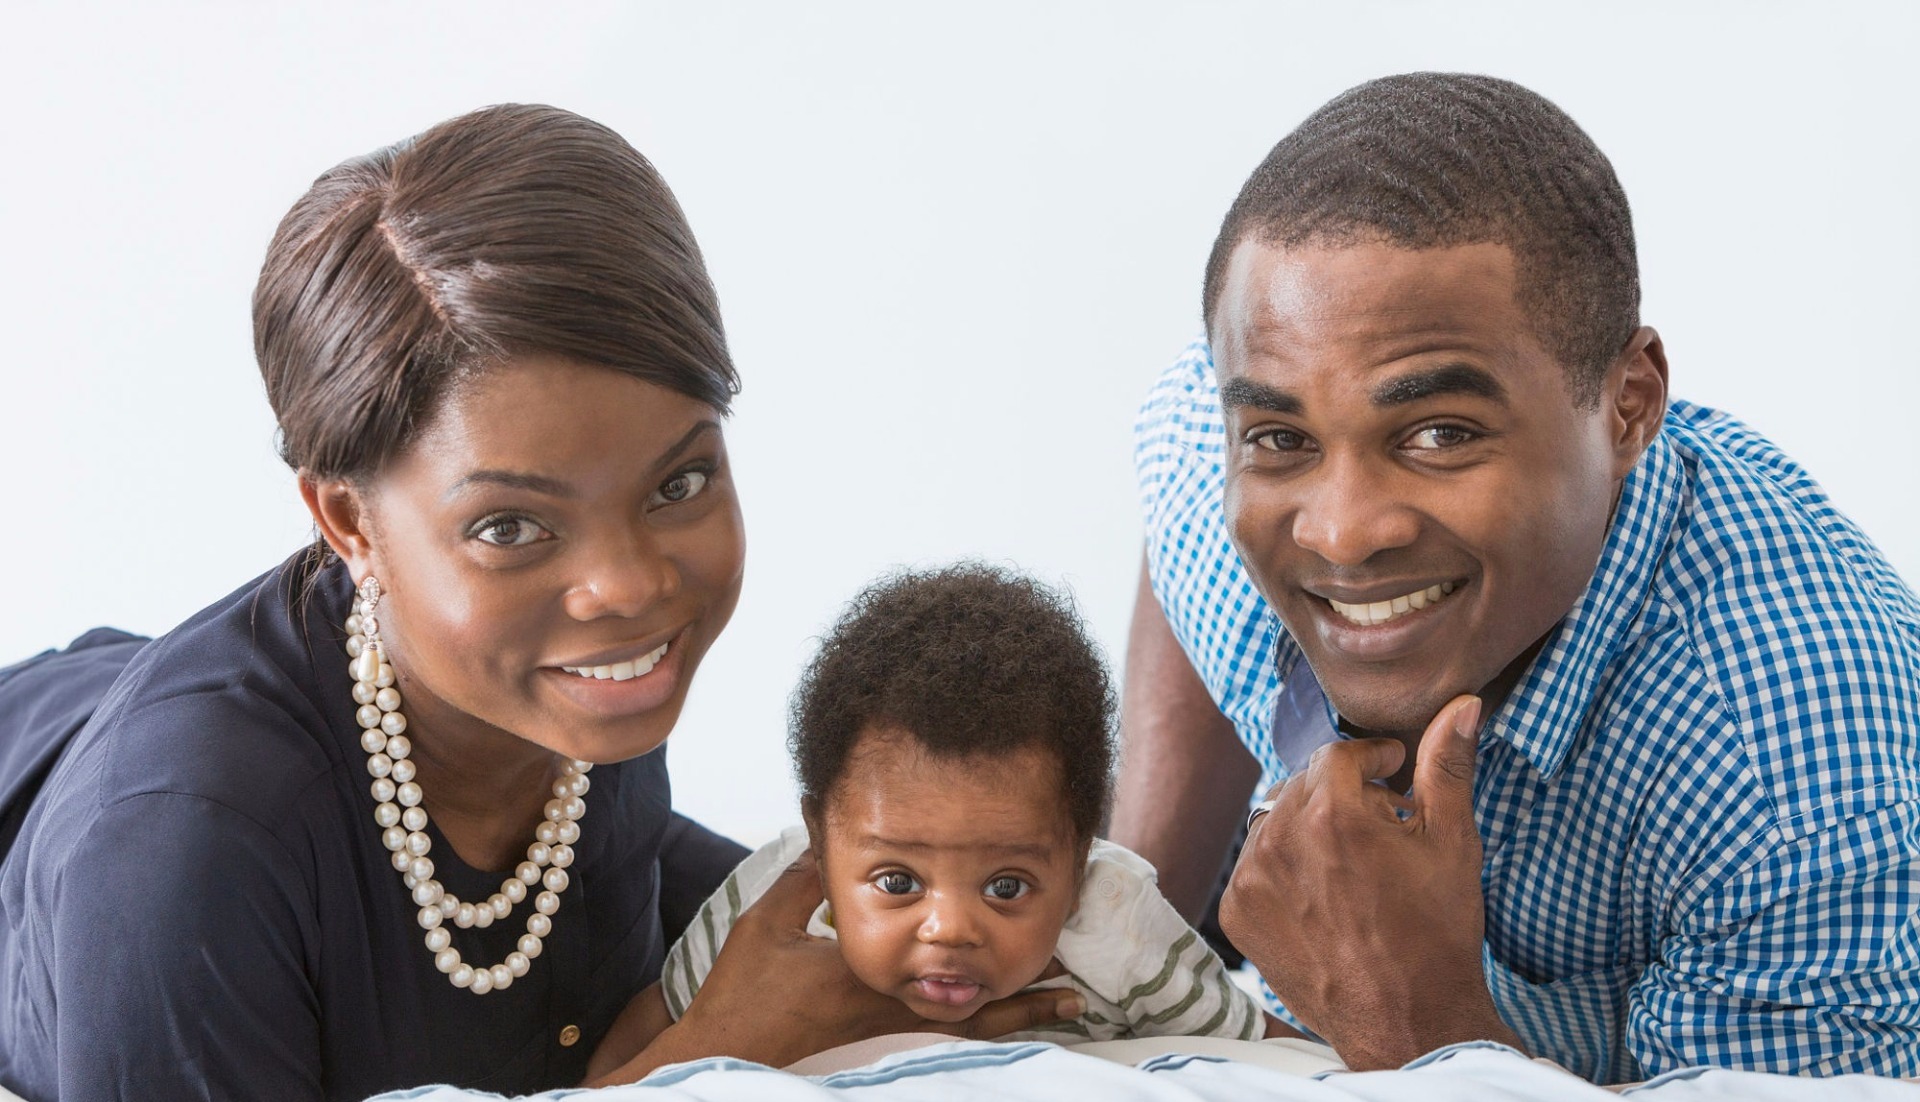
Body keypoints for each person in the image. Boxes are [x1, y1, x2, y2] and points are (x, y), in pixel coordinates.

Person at [0, 105, 1071, 1102]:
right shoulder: (180, 862)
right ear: (349, 522)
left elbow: (625, 872)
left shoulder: (565, 690)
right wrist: (705, 1059)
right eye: (511, 528)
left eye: (679, 482)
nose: (631, 586)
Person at [1112, 72, 1920, 1084]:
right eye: (1281, 438)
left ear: (1628, 405)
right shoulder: (1213, 440)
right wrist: (1131, 923)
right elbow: (1179, 503)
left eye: (1440, 433)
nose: (1343, 534)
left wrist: (1409, 1019)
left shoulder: (1801, 799)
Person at [588, 564, 1267, 1072]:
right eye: (897, 882)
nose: (951, 928)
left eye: (1006, 887)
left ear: (1079, 859)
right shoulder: (768, 907)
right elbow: (662, 1019)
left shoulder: (1115, 919)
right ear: (820, 846)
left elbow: (1269, 1055)